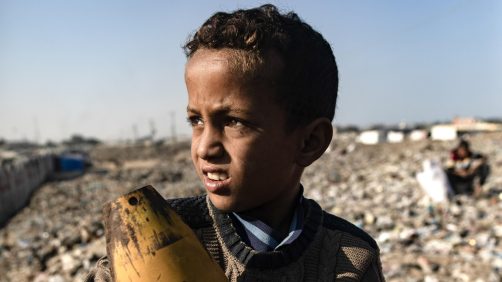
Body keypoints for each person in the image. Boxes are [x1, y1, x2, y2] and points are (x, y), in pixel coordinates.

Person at [86, 4, 384, 281]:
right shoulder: (150, 245)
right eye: (196, 121)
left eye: (234, 122)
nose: (204, 148)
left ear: (309, 142)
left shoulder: (348, 258)